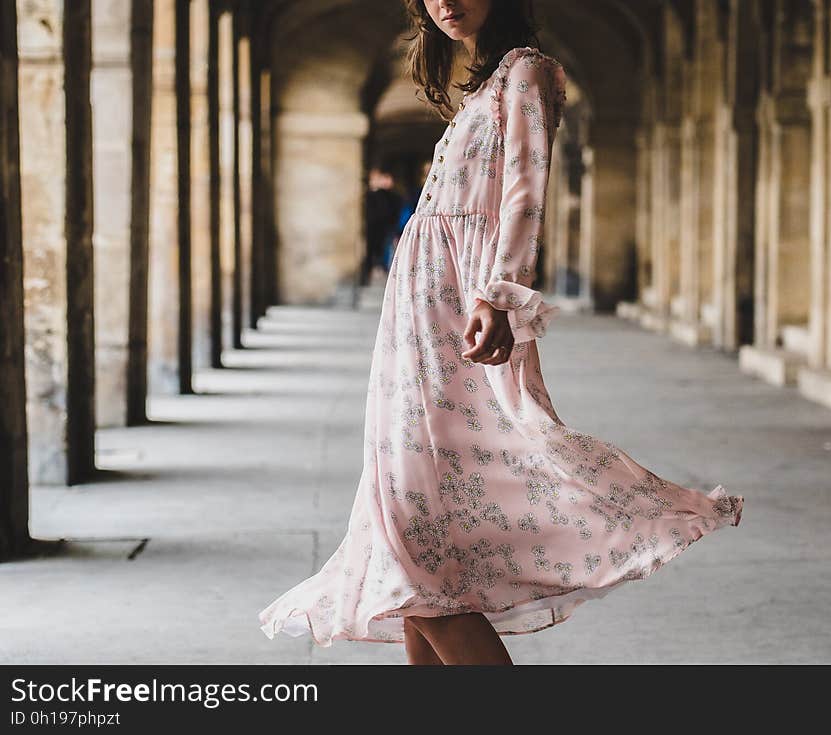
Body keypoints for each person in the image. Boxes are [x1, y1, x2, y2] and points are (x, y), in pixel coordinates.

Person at [258, 0, 744, 665]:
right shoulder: (483, 87)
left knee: (414, 544)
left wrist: (498, 295)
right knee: (418, 538)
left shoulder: (528, 72)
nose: (445, 1)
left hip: (457, 314)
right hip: (417, 323)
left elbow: (524, 192)